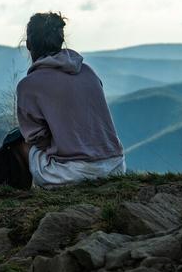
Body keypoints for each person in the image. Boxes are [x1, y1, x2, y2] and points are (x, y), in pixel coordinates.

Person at [16, 12, 125, 186]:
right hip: (115, 166)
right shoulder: (88, 72)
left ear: (28, 44)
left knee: (18, 145)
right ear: (61, 42)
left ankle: (24, 199)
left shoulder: (28, 85)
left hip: (74, 173)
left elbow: (38, 139)